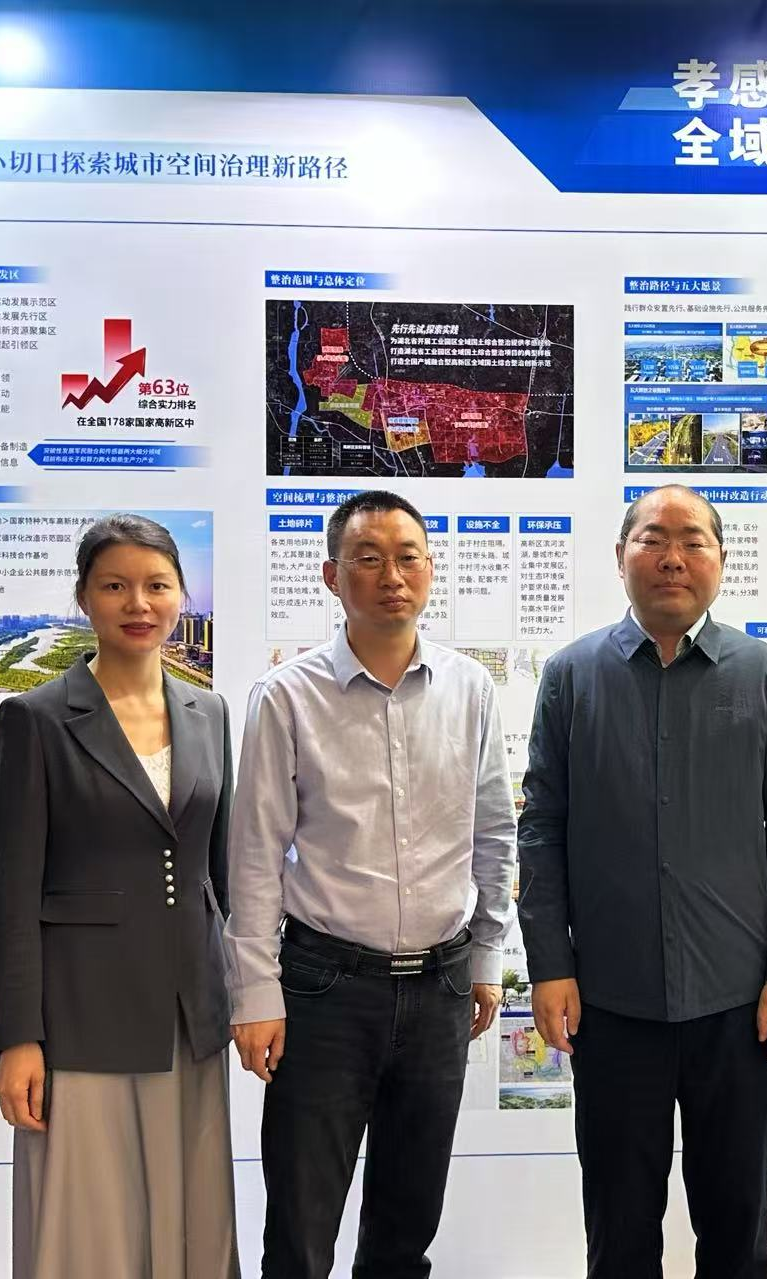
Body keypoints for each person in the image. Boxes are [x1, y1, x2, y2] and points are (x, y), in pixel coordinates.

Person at [518, 484, 767, 1279]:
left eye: (693, 540)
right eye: (653, 538)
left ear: (720, 559)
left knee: (737, 1228)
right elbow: (541, 827)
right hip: (611, 999)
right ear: (621, 555)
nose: (672, 558)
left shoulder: (764, 674)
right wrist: (550, 963)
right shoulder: (571, 675)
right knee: (619, 1229)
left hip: (738, 1000)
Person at [225, 490, 516, 1279]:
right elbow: (255, 853)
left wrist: (487, 956)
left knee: (404, 1227)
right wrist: (255, 991)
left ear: (430, 569)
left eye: (407, 556)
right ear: (332, 575)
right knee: (301, 1224)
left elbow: (493, 832)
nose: (392, 575)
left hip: (440, 986)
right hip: (324, 988)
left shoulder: (469, 689)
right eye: (368, 558)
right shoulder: (286, 695)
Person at [0, 513, 239, 1279]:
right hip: (80, 1014)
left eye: (157, 584)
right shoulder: (34, 718)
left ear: (181, 595)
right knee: (87, 1223)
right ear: (83, 598)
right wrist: (17, 1038)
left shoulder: (209, 711)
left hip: (188, 1010)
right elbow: (13, 893)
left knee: (193, 1219)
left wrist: (245, 993)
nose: (139, 603)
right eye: (115, 585)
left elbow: (220, 876)